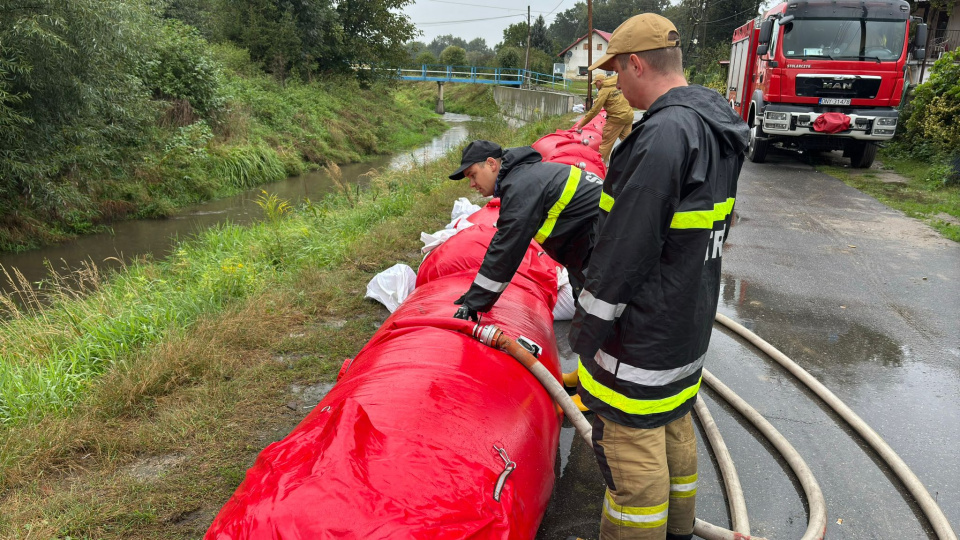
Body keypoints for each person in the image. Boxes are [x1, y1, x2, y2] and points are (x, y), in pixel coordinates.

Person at [566, 13, 748, 540]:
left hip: (639, 342)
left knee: (634, 477)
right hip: (684, 328)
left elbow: (623, 252)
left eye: (617, 72)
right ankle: (679, 531)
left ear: (637, 63)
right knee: (673, 434)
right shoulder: (717, 125)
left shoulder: (662, 136)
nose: (615, 84)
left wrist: (586, 336)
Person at [447, 140, 602, 326]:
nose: (472, 184)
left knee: (600, 324)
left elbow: (507, 248)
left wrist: (475, 301)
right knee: (592, 320)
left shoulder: (521, 185)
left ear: (491, 163)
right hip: (592, 244)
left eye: (473, 175)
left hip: (603, 246)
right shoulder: (526, 175)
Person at [577, 73, 635, 163]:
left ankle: (600, 166)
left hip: (616, 119)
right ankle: (635, 162)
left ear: (600, 81)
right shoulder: (618, 84)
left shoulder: (604, 90)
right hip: (628, 116)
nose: (596, 86)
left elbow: (595, 110)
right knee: (628, 142)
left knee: (606, 145)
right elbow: (616, 99)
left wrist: (581, 124)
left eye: (596, 84)